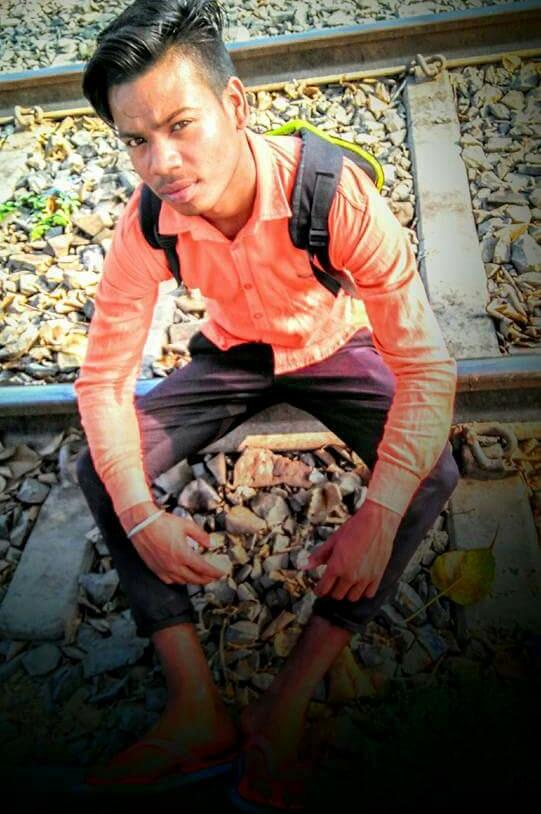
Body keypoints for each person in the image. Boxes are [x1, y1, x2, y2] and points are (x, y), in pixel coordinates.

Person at [74, 0, 460, 807]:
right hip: (234, 351)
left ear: (235, 104)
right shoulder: (145, 223)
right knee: (102, 466)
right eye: (136, 140)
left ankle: (286, 704)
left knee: (431, 473)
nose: (161, 162)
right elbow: (102, 381)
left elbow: (424, 366)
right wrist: (141, 515)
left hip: (330, 343)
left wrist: (378, 513)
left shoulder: (334, 195)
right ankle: (195, 708)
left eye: (180, 125)